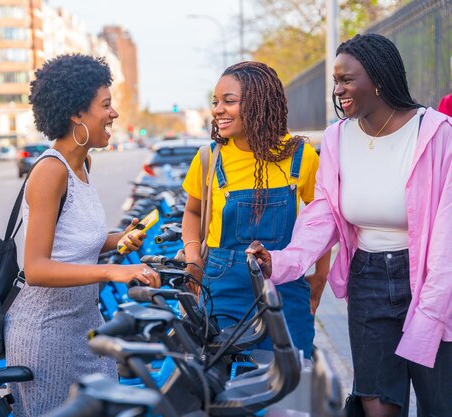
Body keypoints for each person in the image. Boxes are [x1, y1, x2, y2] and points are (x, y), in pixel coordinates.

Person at [247, 33, 452, 417]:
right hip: (368, 278)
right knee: (377, 403)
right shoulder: (338, 137)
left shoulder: (437, 133)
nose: (338, 90)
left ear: (378, 79)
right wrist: (283, 261)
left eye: (347, 80)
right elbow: (323, 212)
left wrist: (432, 305)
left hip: (431, 281)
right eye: (335, 81)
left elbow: (447, 238)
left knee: (439, 403)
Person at [4, 54, 161, 417]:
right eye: (106, 105)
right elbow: (37, 268)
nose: (114, 114)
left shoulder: (84, 164)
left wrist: (118, 238)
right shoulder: (50, 172)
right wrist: (112, 271)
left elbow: (73, 241)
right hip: (47, 336)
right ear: (77, 113)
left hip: (85, 327)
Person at [181, 61, 330, 360]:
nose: (218, 110)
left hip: (286, 290)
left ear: (260, 104)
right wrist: (194, 258)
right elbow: (193, 212)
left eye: (229, 101)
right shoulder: (209, 158)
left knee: (292, 381)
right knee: (227, 385)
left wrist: (319, 276)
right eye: (215, 102)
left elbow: (322, 221)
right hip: (223, 288)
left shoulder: (302, 157)